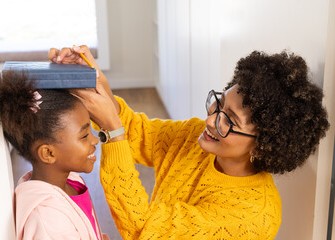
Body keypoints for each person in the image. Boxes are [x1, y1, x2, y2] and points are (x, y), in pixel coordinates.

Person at [49, 46, 329, 239]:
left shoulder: (252, 217)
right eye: (219, 103)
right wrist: (99, 86)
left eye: (228, 120)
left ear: (262, 146)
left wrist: (112, 129)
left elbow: (143, 229)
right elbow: (140, 134)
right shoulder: (196, 138)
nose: (210, 120)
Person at [0, 70, 111, 240]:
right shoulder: (48, 221)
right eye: (84, 136)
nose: (95, 140)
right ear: (48, 153)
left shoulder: (73, 181)